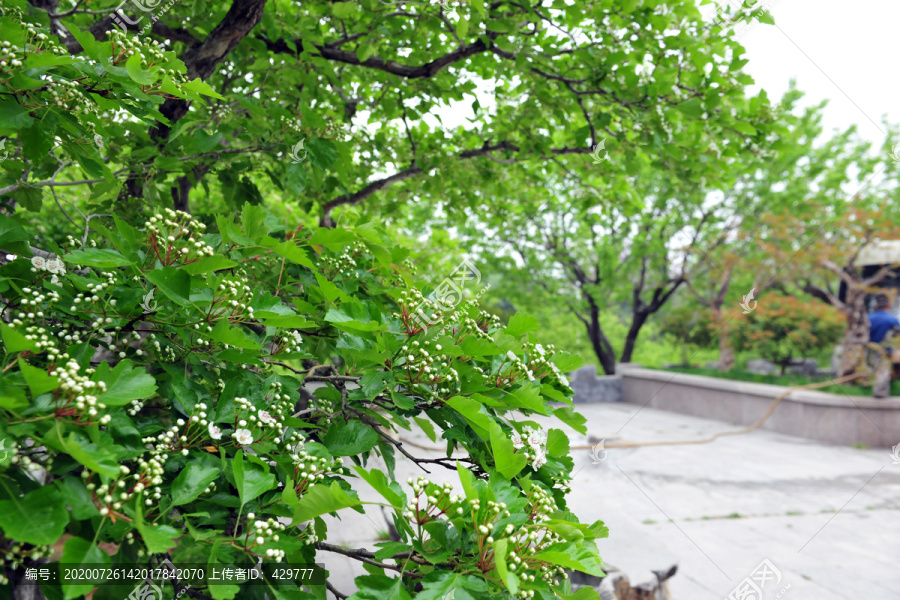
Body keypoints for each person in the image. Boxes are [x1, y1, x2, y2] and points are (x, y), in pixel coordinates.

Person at [868, 293, 900, 398]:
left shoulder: (869, 318)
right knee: (883, 371)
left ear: (876, 306)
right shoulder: (892, 320)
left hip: (869, 350)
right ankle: (880, 394)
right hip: (886, 351)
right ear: (888, 306)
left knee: (876, 370)